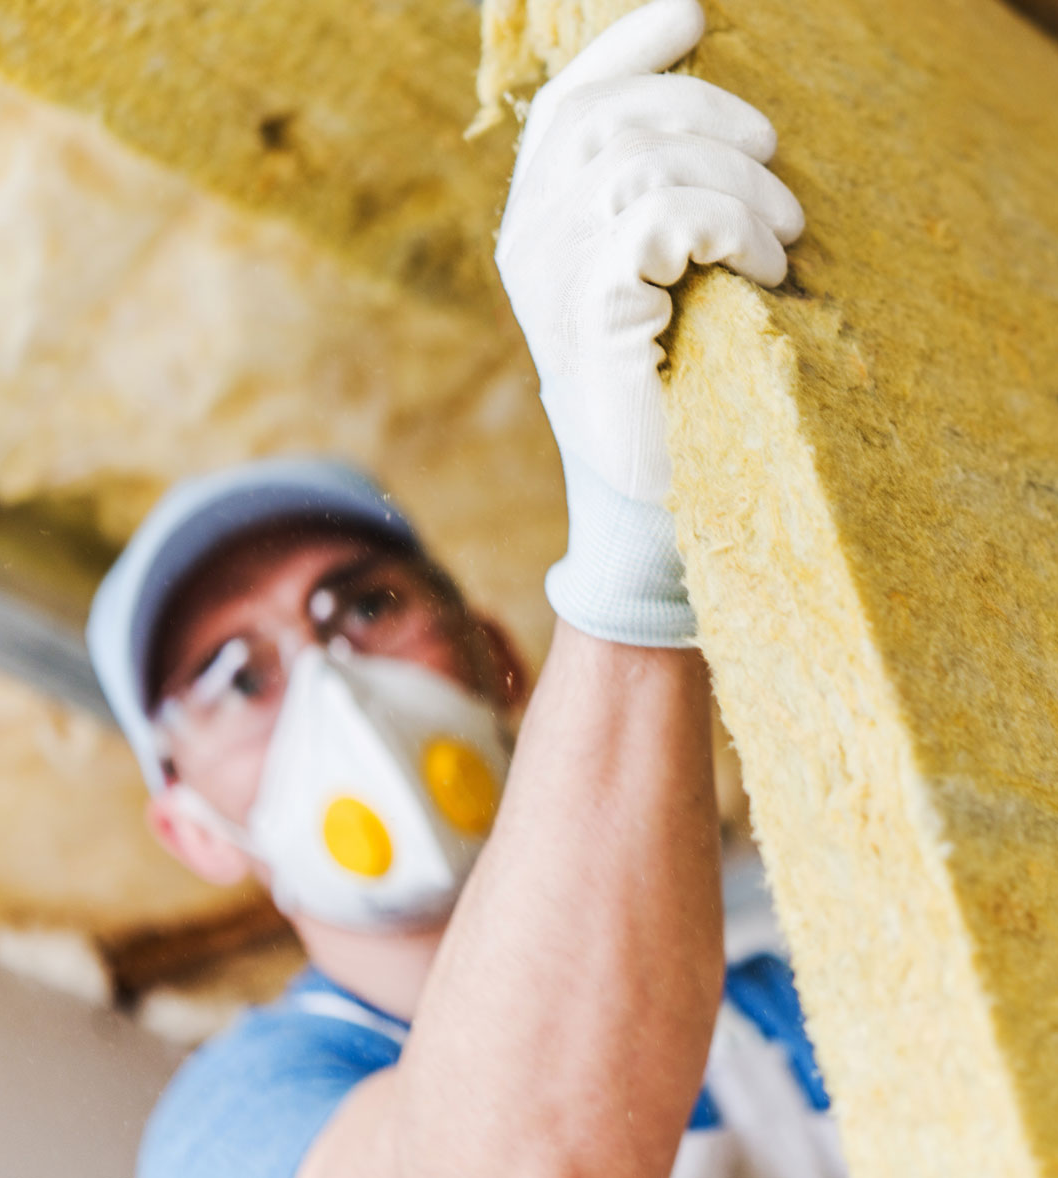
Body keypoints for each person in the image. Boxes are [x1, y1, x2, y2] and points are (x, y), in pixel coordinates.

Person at [85, 3, 840, 1175]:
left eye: (365, 604)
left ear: (500, 659)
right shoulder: (236, 1117)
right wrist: (637, 561)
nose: (331, 680)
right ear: (193, 830)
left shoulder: (785, 1021)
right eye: (234, 677)